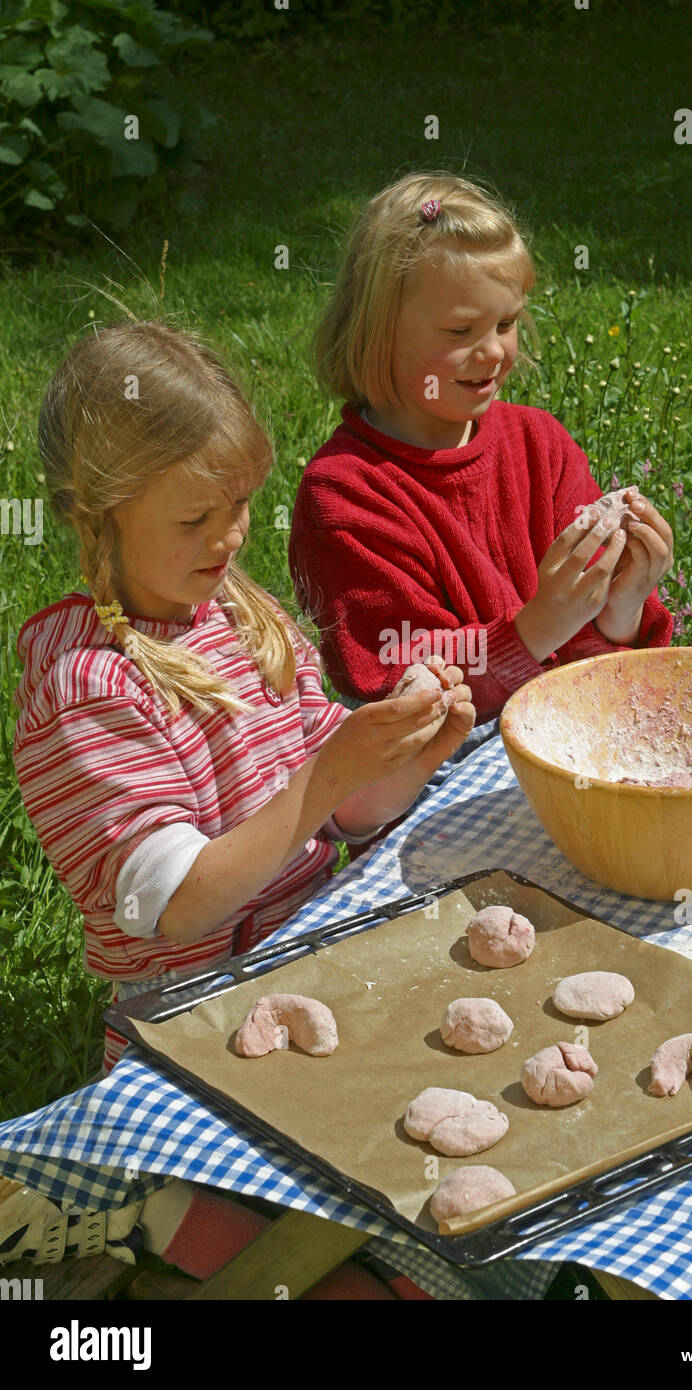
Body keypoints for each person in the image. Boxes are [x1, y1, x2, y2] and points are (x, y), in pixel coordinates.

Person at [9, 317, 475, 1297]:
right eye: (193, 520)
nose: (227, 538)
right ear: (96, 518)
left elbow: (344, 817)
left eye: (240, 507)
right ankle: (138, 1202)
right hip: (194, 1040)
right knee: (360, 1270)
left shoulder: (240, 616)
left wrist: (401, 755)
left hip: (311, 985)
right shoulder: (90, 685)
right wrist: (326, 774)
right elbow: (178, 904)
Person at [289, 172, 675, 813]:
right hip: (438, 790)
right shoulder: (345, 494)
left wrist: (622, 606)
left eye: (507, 322)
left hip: (573, 744)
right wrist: (533, 629)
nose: (493, 351)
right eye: (460, 331)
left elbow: (595, 666)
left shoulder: (538, 444)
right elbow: (401, 683)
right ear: (378, 330)